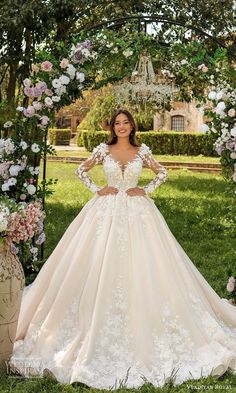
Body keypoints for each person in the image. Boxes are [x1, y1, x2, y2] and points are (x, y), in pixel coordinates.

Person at [10, 109, 236, 389]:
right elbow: (80, 170)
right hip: (103, 212)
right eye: (117, 123)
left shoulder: (142, 151)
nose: (121, 127)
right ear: (112, 127)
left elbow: (162, 172)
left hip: (138, 213)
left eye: (125, 123)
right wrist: (97, 189)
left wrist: (147, 189)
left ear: (132, 126)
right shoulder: (103, 149)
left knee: (150, 266)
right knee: (91, 263)